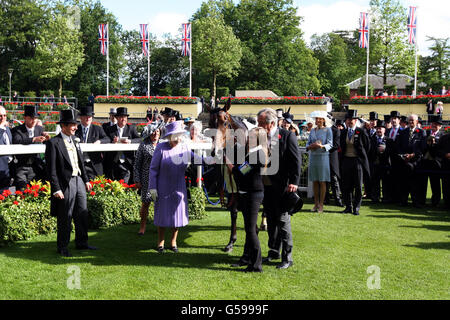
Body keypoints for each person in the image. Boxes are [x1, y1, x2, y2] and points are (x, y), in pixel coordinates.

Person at [149, 120, 210, 253]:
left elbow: (195, 158)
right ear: (169, 137)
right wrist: (152, 187)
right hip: (163, 186)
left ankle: (173, 242)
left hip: (178, 186)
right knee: (162, 215)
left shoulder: (184, 148)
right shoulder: (160, 148)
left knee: (177, 215)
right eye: (174, 137)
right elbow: (153, 169)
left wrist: (209, 160)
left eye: (179, 137)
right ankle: (160, 242)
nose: (177, 140)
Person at [45, 109, 96, 257]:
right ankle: (62, 246)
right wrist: (56, 189)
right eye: (73, 125)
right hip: (65, 184)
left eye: (75, 124)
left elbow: (80, 163)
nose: (75, 127)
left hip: (78, 180)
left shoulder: (75, 140)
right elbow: (51, 169)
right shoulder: (53, 143)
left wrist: (86, 180)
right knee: (65, 216)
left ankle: (82, 243)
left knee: (82, 213)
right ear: (64, 126)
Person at [257, 108, 301, 269]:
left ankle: (287, 257)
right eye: (258, 122)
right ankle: (273, 251)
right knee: (271, 219)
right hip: (266, 185)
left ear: (272, 123)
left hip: (283, 186)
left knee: (283, 221)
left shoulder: (287, 136)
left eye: (262, 123)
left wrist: (294, 182)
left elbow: (296, 161)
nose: (259, 125)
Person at [227, 127, 268, 272]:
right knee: (250, 229)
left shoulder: (257, 154)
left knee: (251, 230)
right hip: (248, 192)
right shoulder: (254, 153)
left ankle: (256, 264)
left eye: (251, 137)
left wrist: (227, 162)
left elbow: (240, 173)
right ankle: (248, 259)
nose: (248, 139)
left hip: (253, 194)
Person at [339, 110, 370, 215]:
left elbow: (367, 146)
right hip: (346, 160)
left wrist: (361, 157)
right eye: (348, 119)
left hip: (357, 161)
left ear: (356, 120)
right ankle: (348, 206)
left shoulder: (361, 132)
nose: (349, 121)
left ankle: (356, 208)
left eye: (351, 119)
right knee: (346, 186)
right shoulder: (343, 132)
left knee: (358, 185)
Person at [11, 105, 49, 190]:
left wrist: (47, 139)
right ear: (25, 118)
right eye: (31, 118)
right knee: (22, 191)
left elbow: (44, 141)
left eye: (35, 118)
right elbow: (17, 141)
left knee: (35, 191)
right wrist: (34, 139)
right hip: (21, 166)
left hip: (35, 166)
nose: (34, 120)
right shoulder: (17, 130)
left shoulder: (39, 128)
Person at [134, 123, 161, 235]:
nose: (155, 134)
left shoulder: (162, 145)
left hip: (160, 179)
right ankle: (142, 226)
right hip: (147, 180)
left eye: (158, 132)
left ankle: (159, 225)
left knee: (158, 203)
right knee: (146, 203)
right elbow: (137, 164)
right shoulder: (144, 145)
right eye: (153, 132)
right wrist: (137, 179)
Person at [396, 114, 427, 207]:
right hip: (404, 161)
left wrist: (413, 155)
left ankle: (416, 201)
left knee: (415, 183)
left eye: (412, 120)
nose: (411, 122)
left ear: (417, 121)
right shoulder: (403, 132)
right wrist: (404, 155)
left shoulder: (422, 132)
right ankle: (403, 200)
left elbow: (423, 148)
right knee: (404, 182)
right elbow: (399, 146)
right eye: (409, 120)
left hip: (416, 162)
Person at [306, 111, 333, 213]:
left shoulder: (328, 130)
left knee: (322, 181)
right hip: (313, 157)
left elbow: (330, 144)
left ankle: (321, 204)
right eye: (316, 119)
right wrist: (309, 146)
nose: (318, 120)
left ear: (324, 120)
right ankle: (316, 203)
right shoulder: (312, 130)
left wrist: (321, 146)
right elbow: (308, 143)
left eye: (320, 118)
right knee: (315, 181)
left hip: (323, 157)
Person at [104, 107, 141, 183]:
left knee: (126, 181)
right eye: (121, 117)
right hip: (113, 161)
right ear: (116, 118)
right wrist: (112, 142)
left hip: (127, 161)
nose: (123, 119)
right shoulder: (110, 129)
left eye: (125, 117)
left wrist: (130, 141)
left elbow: (139, 139)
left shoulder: (131, 128)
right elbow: (105, 140)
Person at [75, 105, 110, 180]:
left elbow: (107, 139)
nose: (88, 118)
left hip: (94, 163)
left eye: (90, 116)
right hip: (79, 163)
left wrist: (99, 141)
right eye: (85, 116)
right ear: (81, 118)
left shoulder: (97, 129)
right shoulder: (75, 129)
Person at [420, 115, 444, 207]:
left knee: (435, 184)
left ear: (440, 126)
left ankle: (435, 202)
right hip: (425, 162)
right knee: (423, 183)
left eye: (436, 124)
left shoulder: (442, 136)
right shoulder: (425, 133)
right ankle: (421, 201)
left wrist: (433, 145)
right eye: (433, 124)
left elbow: (440, 150)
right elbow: (421, 147)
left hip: (435, 163)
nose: (434, 126)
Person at [369, 120, 390, 203]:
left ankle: (386, 198)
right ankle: (375, 198)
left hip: (385, 165)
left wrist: (385, 150)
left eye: (380, 128)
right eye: (377, 128)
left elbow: (392, 152)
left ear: (384, 130)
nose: (378, 130)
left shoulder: (389, 140)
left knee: (385, 183)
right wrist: (376, 150)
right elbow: (369, 151)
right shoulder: (371, 139)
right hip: (375, 164)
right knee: (375, 182)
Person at [327, 117, 343, 207]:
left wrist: (324, 147)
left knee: (334, 178)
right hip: (323, 157)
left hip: (332, 157)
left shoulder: (336, 130)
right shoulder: (323, 129)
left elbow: (336, 145)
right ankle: (326, 198)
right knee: (324, 179)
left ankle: (337, 199)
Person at [0, 106, 12, 192]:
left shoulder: (7, 128)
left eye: (4, 115)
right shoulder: (2, 127)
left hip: (7, 168)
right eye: (0, 115)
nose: (3, 118)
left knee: (5, 195)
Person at [437, 131, 450, 208]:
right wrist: (445, 154)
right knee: (446, 186)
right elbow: (438, 151)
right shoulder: (444, 138)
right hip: (446, 166)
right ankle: (447, 204)